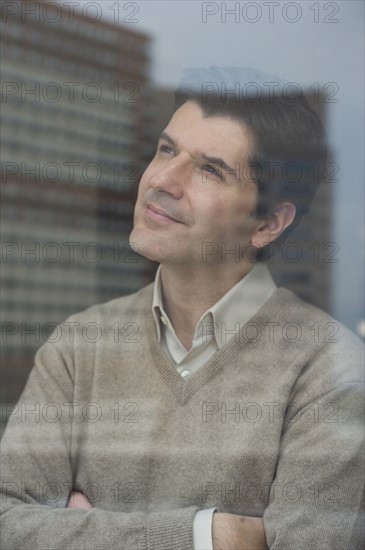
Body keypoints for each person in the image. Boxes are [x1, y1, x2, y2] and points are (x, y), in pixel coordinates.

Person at [0, 67, 363, 550]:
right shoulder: (78, 345)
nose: (163, 179)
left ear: (268, 224)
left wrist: (80, 531)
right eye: (167, 149)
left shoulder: (329, 370)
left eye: (210, 169)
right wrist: (209, 536)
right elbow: (7, 523)